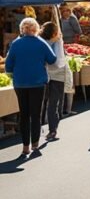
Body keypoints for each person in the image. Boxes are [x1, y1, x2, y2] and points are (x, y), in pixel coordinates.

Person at [5, 18, 56, 156]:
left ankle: (25, 146)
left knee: (24, 114)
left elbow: (8, 66)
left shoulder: (15, 44)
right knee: (35, 114)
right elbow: (52, 59)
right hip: (38, 82)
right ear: (36, 29)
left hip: (20, 83)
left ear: (22, 29)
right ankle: (35, 144)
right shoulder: (41, 43)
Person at [39, 22, 70, 141]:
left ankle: (39, 128)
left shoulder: (39, 41)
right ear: (54, 32)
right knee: (53, 104)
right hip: (57, 75)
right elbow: (58, 62)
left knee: (41, 103)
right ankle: (52, 130)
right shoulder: (57, 41)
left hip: (42, 75)